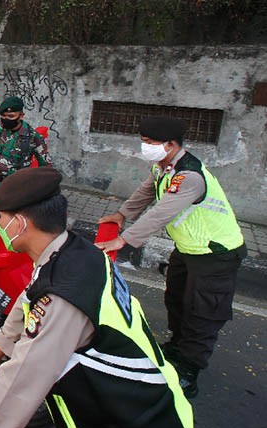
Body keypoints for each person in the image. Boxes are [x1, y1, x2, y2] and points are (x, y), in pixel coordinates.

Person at [0, 166, 195, 428]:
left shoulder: (63, 297)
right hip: (146, 410)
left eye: (0, 219)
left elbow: (26, 373)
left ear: (20, 223)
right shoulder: (75, 252)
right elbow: (28, 300)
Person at [96, 116, 246, 398]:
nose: (145, 147)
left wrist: (124, 239)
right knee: (176, 300)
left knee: (201, 312)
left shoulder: (189, 176)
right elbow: (146, 191)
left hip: (215, 254)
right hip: (188, 249)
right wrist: (122, 214)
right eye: (143, 141)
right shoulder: (163, 166)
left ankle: (189, 370)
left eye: (150, 142)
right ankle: (177, 348)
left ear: (171, 144)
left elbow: (161, 212)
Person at [0, 96, 51, 251]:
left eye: (11, 116)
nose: (6, 119)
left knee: (15, 231)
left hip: (18, 191)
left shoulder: (33, 137)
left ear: (21, 116)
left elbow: (46, 167)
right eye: (3, 116)